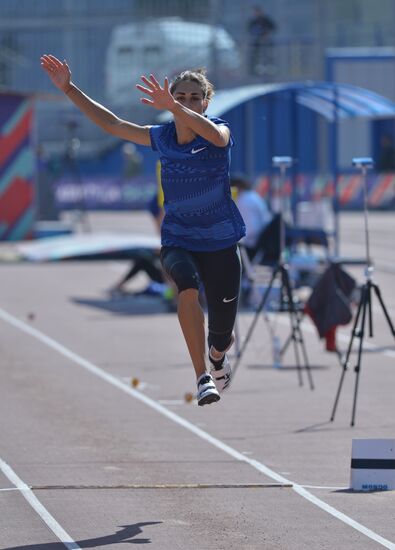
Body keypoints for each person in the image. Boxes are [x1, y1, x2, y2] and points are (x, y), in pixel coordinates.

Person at [40, 54, 246, 406]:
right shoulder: (162, 137)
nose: (186, 103)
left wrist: (174, 108)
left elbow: (214, 134)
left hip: (221, 242)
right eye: (179, 97)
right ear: (170, 100)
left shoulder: (219, 132)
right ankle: (202, 377)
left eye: (194, 98)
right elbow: (113, 124)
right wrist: (69, 89)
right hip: (179, 238)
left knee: (222, 334)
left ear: (206, 102)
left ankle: (216, 356)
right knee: (186, 289)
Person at [247, 6, 277, 76]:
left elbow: (273, 27)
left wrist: (267, 33)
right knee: (256, 56)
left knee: (269, 54)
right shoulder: (253, 21)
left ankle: (270, 69)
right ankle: (257, 69)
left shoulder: (266, 20)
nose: (256, 14)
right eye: (255, 12)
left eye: (258, 12)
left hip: (267, 41)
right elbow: (249, 30)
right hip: (257, 42)